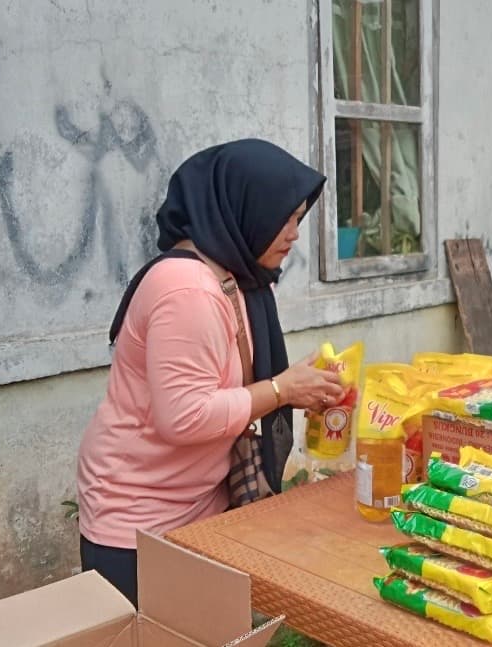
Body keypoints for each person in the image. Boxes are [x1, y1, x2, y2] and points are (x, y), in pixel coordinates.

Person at [77, 139, 347, 606]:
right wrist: (281, 389)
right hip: (139, 525)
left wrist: (303, 387)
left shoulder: (234, 280)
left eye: (297, 218)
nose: (294, 233)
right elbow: (183, 416)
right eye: (284, 217)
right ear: (244, 208)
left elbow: (230, 385)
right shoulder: (187, 290)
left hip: (198, 508)